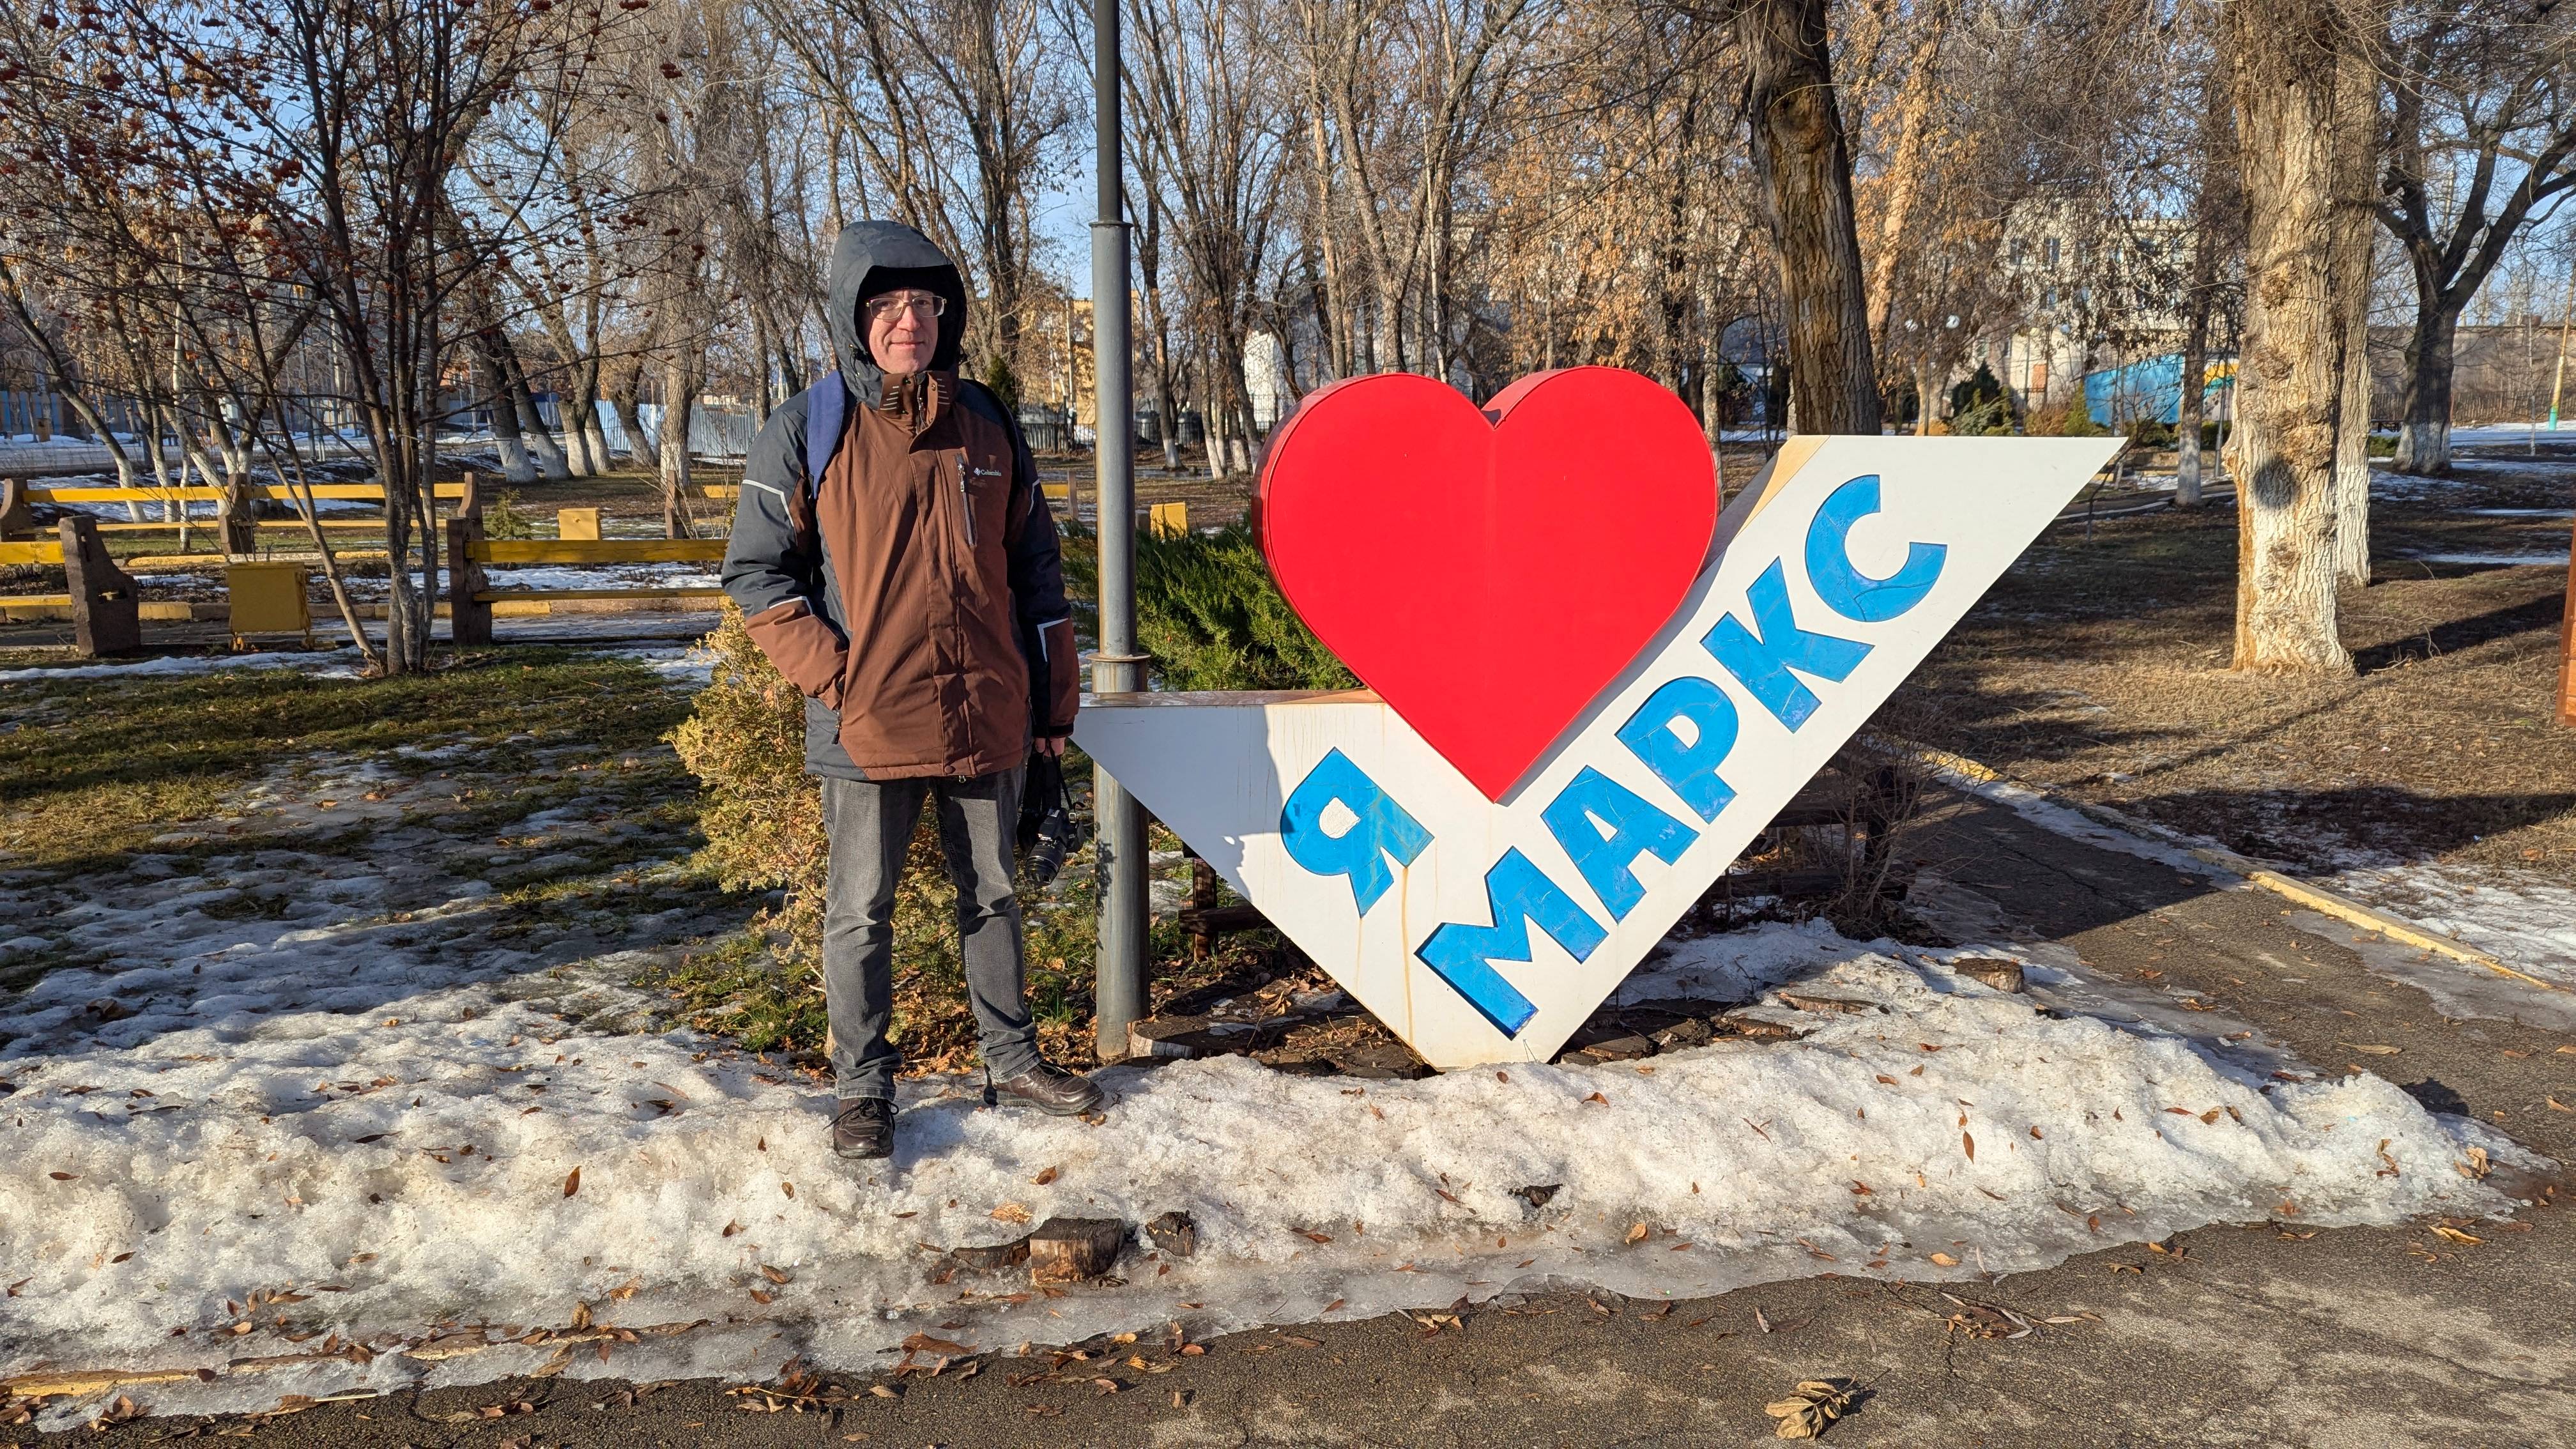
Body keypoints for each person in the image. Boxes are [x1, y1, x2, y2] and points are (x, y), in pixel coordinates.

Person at [721, 220, 1105, 1161]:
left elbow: (1037, 571)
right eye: (886, 305)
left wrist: (1052, 707)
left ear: (947, 315)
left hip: (984, 710)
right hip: (866, 724)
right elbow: (757, 576)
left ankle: (1011, 1063)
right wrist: (837, 677)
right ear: (857, 317)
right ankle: (863, 1091)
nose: (908, 321)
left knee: (996, 896)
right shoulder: (808, 428)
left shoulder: (986, 421)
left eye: (924, 304)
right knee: (860, 909)